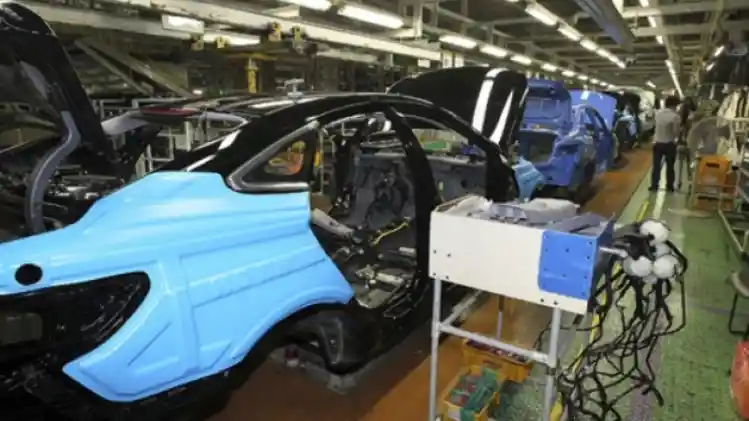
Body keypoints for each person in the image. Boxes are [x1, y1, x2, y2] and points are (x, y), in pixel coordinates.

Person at [650, 95, 681, 192]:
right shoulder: (675, 116)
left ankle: (654, 186)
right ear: (674, 105)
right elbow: (676, 132)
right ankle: (669, 186)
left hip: (657, 143)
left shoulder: (658, 114)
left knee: (656, 166)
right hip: (669, 144)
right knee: (670, 167)